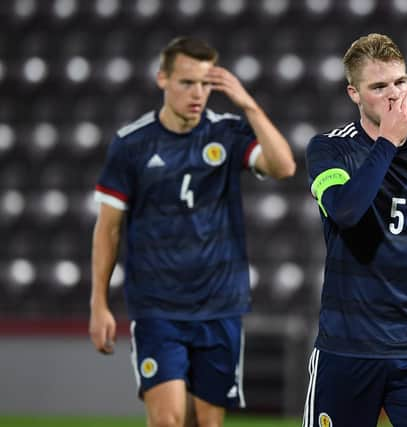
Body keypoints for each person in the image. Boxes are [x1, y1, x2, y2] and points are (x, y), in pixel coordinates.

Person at [88, 36, 296, 427]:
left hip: (219, 305)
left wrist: (248, 104)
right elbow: (108, 229)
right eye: (187, 82)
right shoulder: (132, 144)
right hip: (158, 308)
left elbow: (283, 166)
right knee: (168, 421)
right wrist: (98, 303)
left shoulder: (227, 133)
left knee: (207, 423)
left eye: (205, 83)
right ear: (162, 79)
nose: (197, 93)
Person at [302, 33, 407, 427]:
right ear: (354, 94)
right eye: (378, 86)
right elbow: (346, 212)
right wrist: (388, 144)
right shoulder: (329, 150)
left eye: (400, 82)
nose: (394, 95)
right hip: (347, 349)